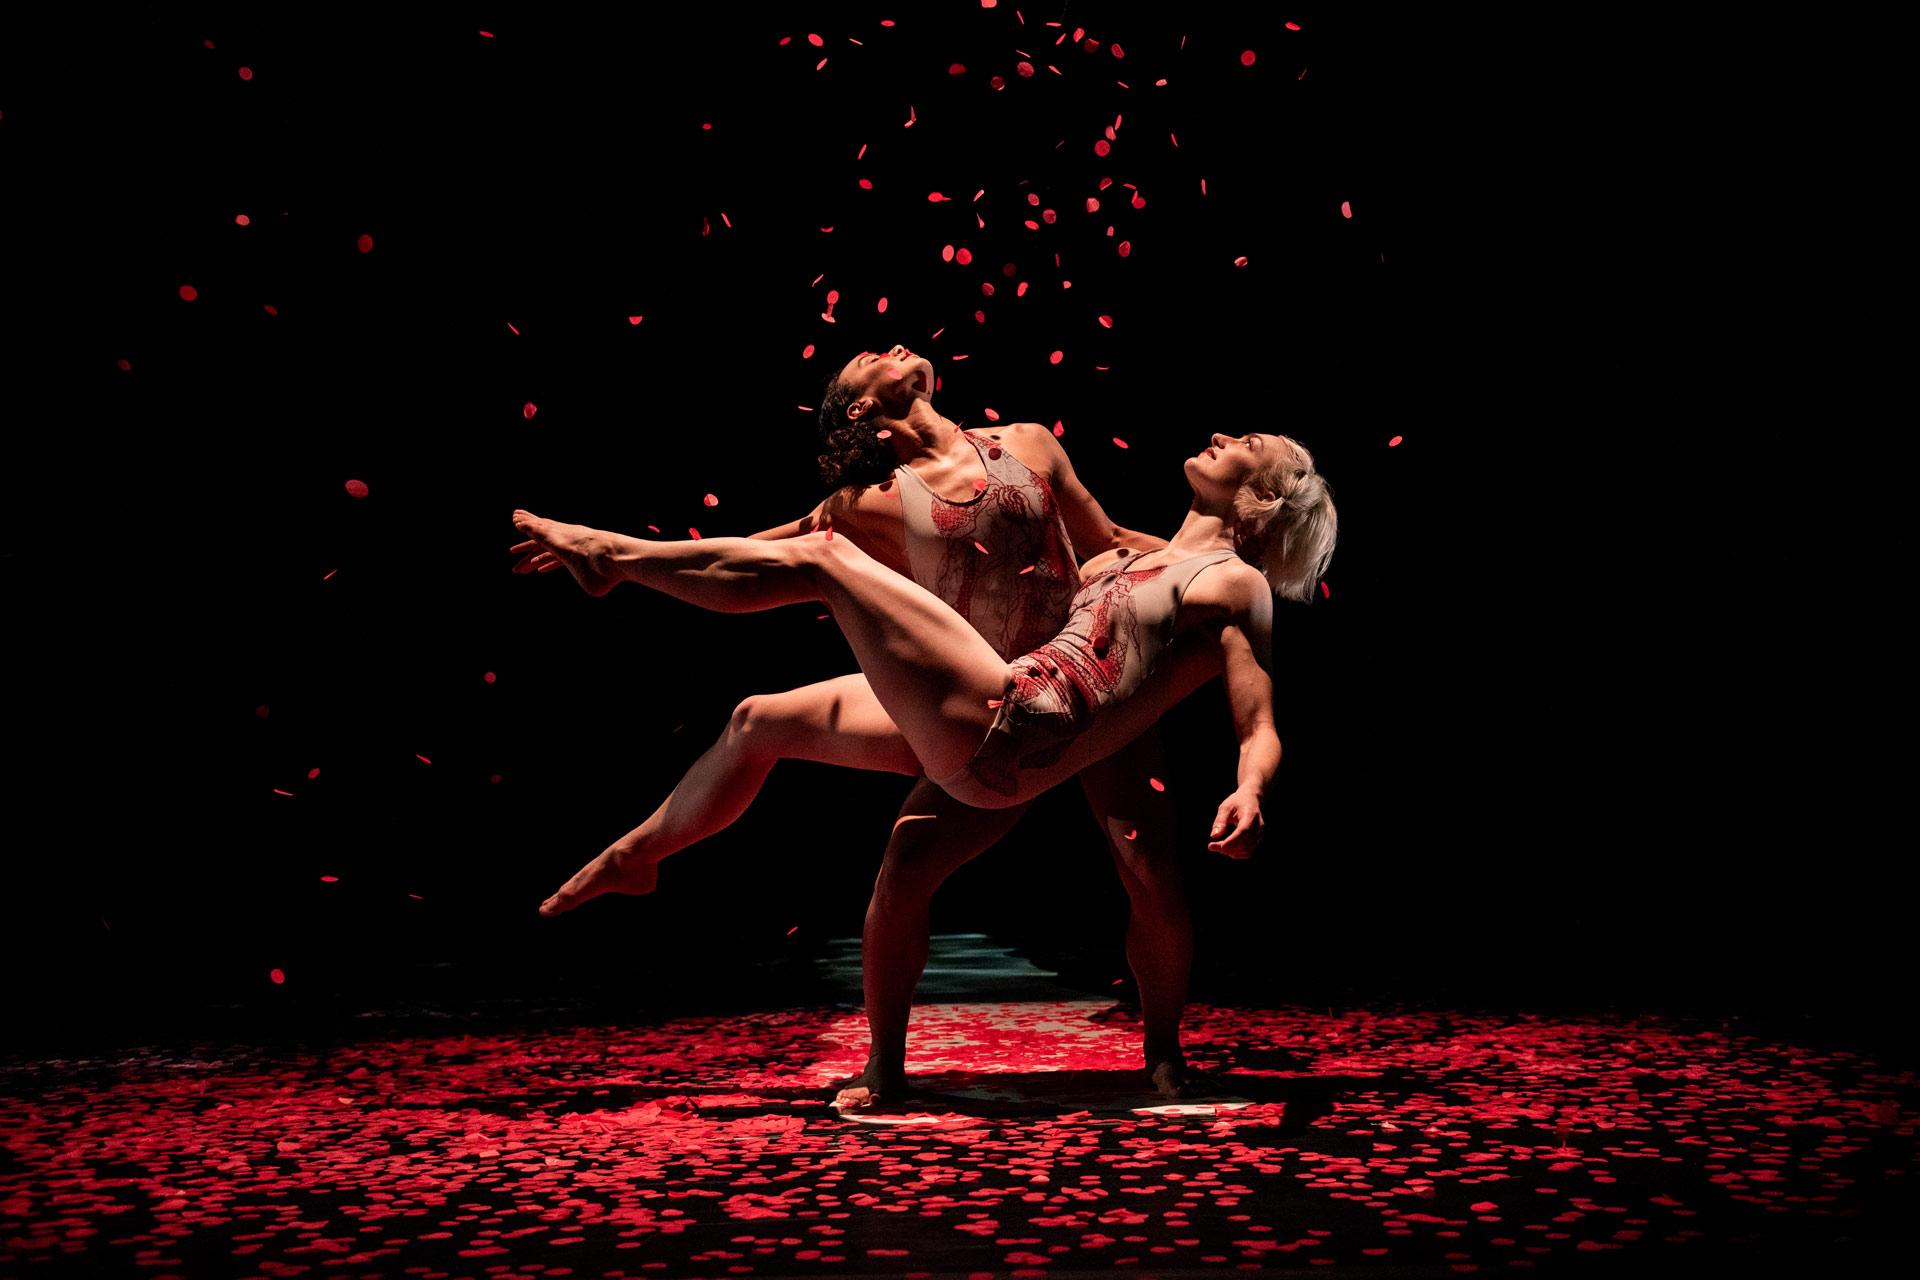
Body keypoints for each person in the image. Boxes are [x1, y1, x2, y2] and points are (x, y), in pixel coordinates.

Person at [509, 428, 1338, 1061]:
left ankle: (612, 558)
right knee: (760, 719)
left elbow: (1259, 718)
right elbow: (1099, 542)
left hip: (1007, 719)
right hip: (992, 727)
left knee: (826, 559)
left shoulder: (1234, 585)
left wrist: (1251, 790)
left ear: (1261, 499)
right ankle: (646, 854)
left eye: (1248, 445)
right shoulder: (1130, 556)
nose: (1225, 438)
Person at [534, 344, 1206, 1104]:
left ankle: (1163, 1053)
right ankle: (653, 863)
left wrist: (1215, 565)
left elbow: (1110, 539)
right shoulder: (865, 506)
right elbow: (753, 557)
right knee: (783, 744)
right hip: (977, 710)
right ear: (859, 407)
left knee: (1151, 873)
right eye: (866, 357)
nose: (889, 346)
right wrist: (630, 563)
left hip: (1087, 686)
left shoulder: (1027, 443)